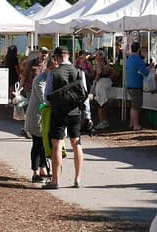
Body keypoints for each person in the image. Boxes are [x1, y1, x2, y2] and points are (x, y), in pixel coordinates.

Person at [43, 46, 86, 189]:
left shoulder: (53, 73)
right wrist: (88, 115)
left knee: (57, 145)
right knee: (76, 144)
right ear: (69, 56)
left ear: (56, 57)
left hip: (58, 112)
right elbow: (84, 94)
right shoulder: (79, 71)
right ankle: (77, 179)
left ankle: (55, 180)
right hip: (75, 112)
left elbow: (46, 97)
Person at [23, 57, 50, 182]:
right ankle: (35, 172)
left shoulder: (50, 79)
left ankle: (43, 168)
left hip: (44, 116)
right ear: (49, 68)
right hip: (36, 116)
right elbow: (45, 98)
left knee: (43, 144)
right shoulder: (40, 80)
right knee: (38, 144)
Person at [124, 42, 148, 132]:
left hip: (129, 84)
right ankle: (136, 125)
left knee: (133, 106)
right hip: (136, 85)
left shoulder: (129, 58)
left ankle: (131, 123)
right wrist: (150, 67)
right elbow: (145, 73)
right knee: (136, 107)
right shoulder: (138, 59)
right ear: (139, 49)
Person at [89, 50, 113, 130]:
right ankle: (104, 121)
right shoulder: (107, 64)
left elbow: (98, 74)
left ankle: (101, 121)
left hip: (101, 84)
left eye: (97, 55)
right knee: (104, 103)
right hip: (107, 83)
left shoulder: (100, 64)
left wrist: (95, 81)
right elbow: (113, 73)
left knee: (99, 103)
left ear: (100, 56)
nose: (95, 56)